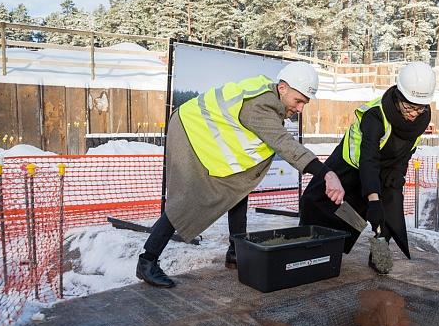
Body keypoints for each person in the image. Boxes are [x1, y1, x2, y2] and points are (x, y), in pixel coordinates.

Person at [136, 62, 346, 288]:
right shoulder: (260, 106)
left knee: (238, 187)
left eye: (305, 102)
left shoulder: (271, 99)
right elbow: (284, 144)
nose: (301, 108)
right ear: (283, 88)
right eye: (299, 101)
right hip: (189, 131)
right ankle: (147, 261)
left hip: (203, 135)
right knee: (186, 199)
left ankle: (235, 251)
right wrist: (326, 173)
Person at [299, 62, 435, 272]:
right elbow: (368, 159)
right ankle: (312, 247)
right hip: (349, 164)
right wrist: (373, 199)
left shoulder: (420, 118)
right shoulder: (375, 115)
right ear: (399, 96)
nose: (414, 114)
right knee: (316, 201)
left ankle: (379, 249)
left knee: (389, 209)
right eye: (409, 107)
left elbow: (406, 152)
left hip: (387, 168)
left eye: (420, 107)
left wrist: (396, 180)